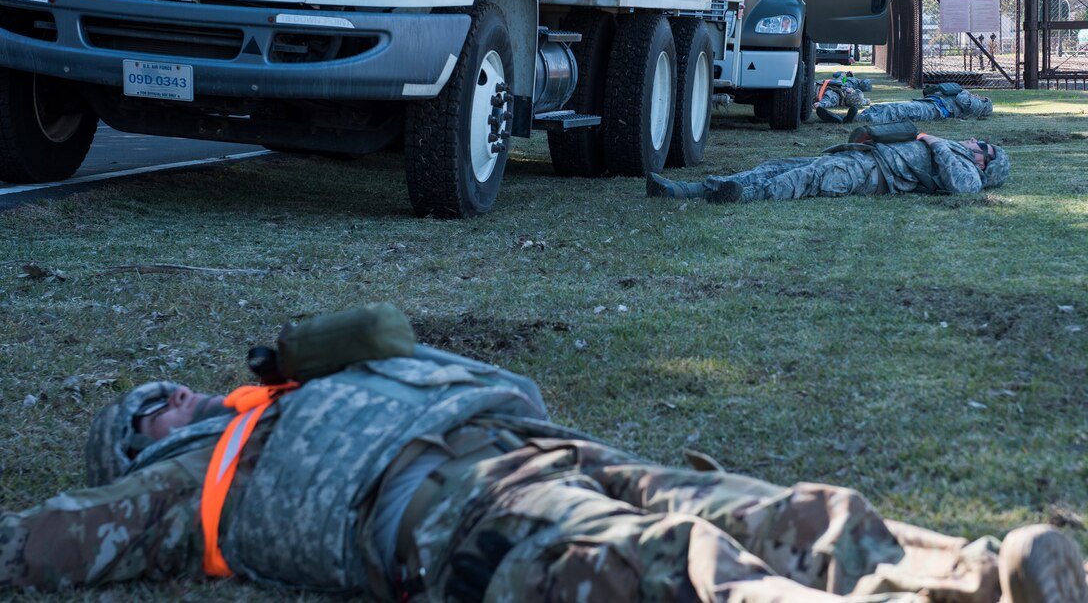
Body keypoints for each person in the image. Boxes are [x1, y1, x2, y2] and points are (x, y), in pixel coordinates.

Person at [2, 304, 1085, 602]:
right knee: (666, 563)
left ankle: (987, 573)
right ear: (140, 453)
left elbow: (389, 331)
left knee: (775, 508)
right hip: (453, 511)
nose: (175, 397)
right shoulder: (188, 481)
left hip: (541, 443)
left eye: (170, 386)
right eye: (148, 412)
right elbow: (43, 544)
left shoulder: (302, 376)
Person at [647, 132, 1009, 203]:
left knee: (803, 178)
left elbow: (964, 190)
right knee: (776, 164)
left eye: (982, 146)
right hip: (861, 158)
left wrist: (935, 142)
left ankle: (739, 195)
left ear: (983, 162)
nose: (974, 142)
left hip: (869, 175)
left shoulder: (968, 173)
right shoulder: (954, 153)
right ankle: (689, 189)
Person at [819, 83, 993, 125]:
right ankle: (846, 117)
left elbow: (963, 100)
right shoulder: (973, 101)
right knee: (886, 106)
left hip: (935, 110)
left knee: (896, 112)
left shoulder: (978, 106)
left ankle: (856, 120)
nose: (980, 96)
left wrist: (963, 91)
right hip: (930, 104)